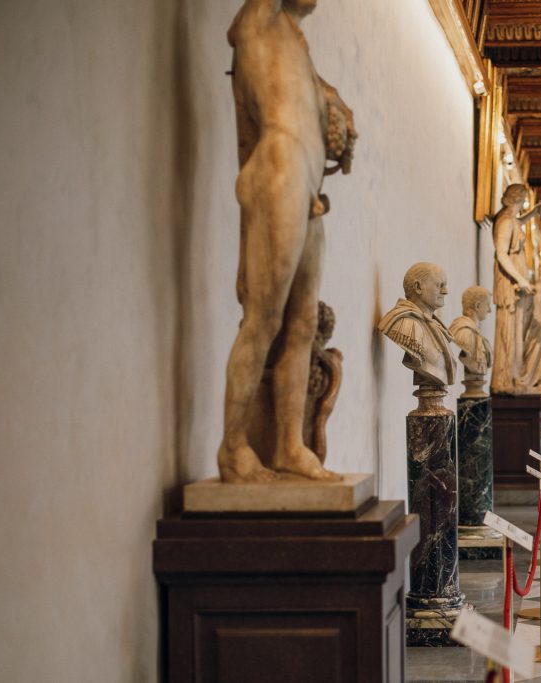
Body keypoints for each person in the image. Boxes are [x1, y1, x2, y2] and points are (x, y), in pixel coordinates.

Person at [219, 0, 357, 483]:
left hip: (308, 184)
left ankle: (287, 446)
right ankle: (234, 448)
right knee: (263, 319)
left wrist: (336, 117)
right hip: (277, 167)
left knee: (301, 325)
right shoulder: (260, 19)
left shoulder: (299, 44)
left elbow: (314, 103)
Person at [491, 184, 541, 395]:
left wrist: (531, 215)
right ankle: (505, 381)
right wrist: (521, 279)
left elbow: (517, 222)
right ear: (516, 200)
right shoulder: (504, 220)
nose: (524, 206)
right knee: (510, 331)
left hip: (518, 284)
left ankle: (516, 378)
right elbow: (501, 253)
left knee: (522, 331)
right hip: (511, 284)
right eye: (523, 202)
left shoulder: (511, 218)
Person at [377, 263, 457, 388]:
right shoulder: (406, 324)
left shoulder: (435, 325)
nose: (445, 291)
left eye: (445, 286)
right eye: (439, 285)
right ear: (418, 287)